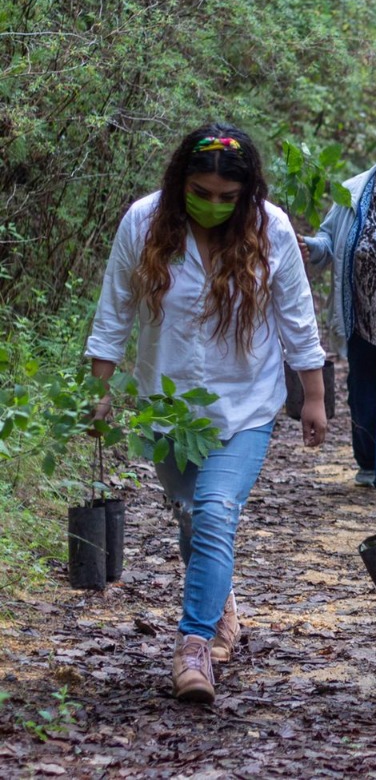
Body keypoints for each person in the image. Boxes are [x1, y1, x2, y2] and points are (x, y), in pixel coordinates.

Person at [86, 124, 328, 703]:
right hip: (166, 407)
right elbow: (114, 311)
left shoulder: (270, 230)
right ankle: (221, 606)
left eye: (228, 196)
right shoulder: (143, 223)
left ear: (246, 193)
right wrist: (96, 390)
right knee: (192, 514)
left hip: (246, 403)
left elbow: (296, 315)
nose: (214, 204)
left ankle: (193, 646)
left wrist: (314, 395)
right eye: (202, 191)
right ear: (180, 182)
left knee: (216, 511)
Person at [299, 119, 376, 507]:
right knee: (364, 393)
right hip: (360, 312)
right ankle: (369, 463)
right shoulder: (352, 193)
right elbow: (328, 240)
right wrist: (309, 247)